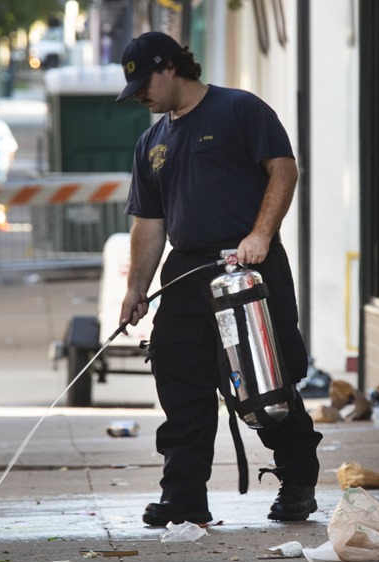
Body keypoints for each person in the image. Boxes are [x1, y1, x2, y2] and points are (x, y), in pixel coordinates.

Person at [116, 31, 323, 527]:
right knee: (180, 381)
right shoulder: (152, 142)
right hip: (187, 271)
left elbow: (284, 170)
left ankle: (297, 480)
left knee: (262, 385)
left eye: (145, 82)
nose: (140, 95)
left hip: (249, 266)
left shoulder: (239, 110)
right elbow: (149, 223)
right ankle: (184, 498)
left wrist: (260, 235)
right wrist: (135, 290)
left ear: (170, 67)